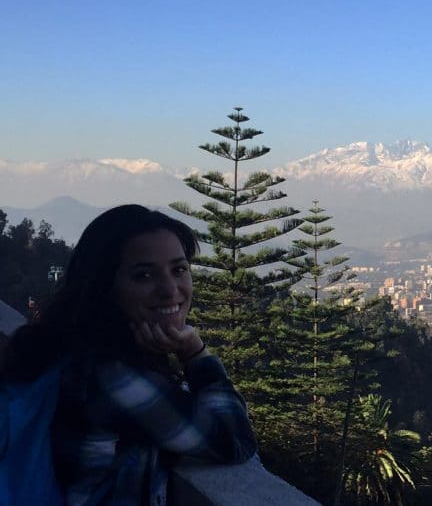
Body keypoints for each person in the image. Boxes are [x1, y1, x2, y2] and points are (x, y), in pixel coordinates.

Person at [1, 205, 257, 505]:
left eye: (179, 269)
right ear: (105, 286)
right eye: (144, 275)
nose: (169, 289)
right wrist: (194, 352)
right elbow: (233, 440)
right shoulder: (112, 376)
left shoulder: (66, 342)